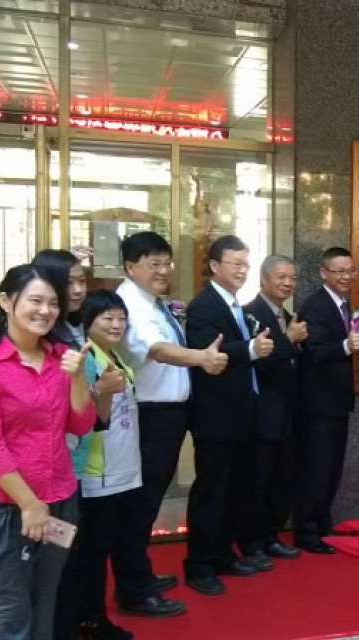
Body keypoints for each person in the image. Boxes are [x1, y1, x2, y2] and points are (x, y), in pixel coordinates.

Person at [0, 264, 96, 638]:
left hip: (59, 501)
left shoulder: (61, 356)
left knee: (45, 602)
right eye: (35, 301)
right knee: (12, 613)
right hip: (1, 509)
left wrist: (78, 379)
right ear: (6, 301)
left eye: (53, 303)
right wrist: (29, 504)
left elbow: (80, 425)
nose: (46, 311)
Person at [114, 231, 227, 617]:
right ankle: (134, 590)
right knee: (141, 504)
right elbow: (157, 350)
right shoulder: (129, 304)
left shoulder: (152, 302)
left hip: (170, 414)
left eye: (167, 263)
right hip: (151, 416)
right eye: (154, 264)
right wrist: (201, 358)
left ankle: (139, 574)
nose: (164, 271)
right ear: (131, 267)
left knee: (148, 500)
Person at [182, 235, 273, 595]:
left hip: (242, 413)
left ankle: (222, 553)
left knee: (235, 489)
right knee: (213, 491)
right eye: (235, 263)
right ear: (214, 265)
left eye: (246, 264)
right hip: (216, 416)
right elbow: (207, 351)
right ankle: (200, 564)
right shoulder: (203, 306)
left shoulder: (235, 304)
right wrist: (251, 349)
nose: (242, 270)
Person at [31, 248, 91, 640]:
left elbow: (81, 415)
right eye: (68, 282)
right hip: (38, 479)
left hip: (71, 469)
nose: (78, 290)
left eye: (82, 280)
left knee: (64, 560)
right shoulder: (41, 343)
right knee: (35, 574)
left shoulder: (73, 331)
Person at [73, 290, 139, 640]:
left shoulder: (114, 355)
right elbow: (84, 415)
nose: (116, 325)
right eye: (107, 318)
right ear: (88, 321)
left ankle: (93, 615)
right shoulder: (87, 358)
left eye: (121, 318)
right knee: (94, 550)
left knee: (104, 544)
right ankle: (91, 620)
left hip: (120, 468)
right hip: (97, 472)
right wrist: (101, 389)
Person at [293, 246, 359, 554]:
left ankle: (322, 524)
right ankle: (307, 531)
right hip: (318, 404)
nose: (346, 277)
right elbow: (316, 351)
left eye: (350, 271)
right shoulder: (315, 306)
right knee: (317, 468)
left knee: (331, 468)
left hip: (336, 402)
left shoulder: (343, 305)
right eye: (339, 271)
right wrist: (346, 346)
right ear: (323, 273)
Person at [238, 255, 306, 563]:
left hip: (287, 413)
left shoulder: (288, 315)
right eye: (281, 277)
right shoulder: (248, 314)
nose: (288, 283)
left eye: (292, 278)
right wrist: (289, 339)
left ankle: (271, 535)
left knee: (281, 479)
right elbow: (259, 363)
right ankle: (251, 542)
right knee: (258, 481)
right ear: (264, 279)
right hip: (261, 413)